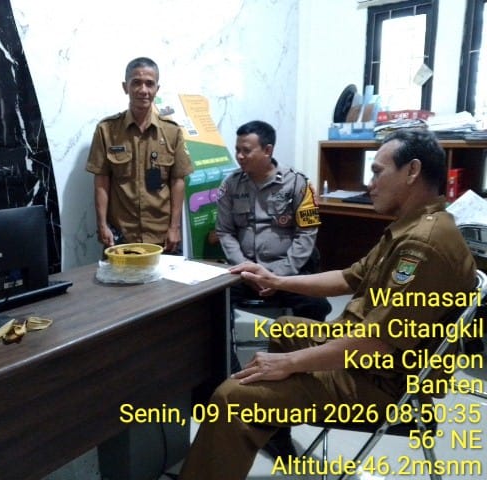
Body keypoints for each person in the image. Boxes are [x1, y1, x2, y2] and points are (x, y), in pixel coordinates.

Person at [178, 128, 476, 480]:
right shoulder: (413, 227)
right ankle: (267, 425)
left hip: (384, 384)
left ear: (412, 171)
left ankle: (255, 416)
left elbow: (376, 344)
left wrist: (288, 363)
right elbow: (349, 277)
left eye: (378, 172)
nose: (369, 183)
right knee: (286, 329)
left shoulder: (423, 244)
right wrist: (276, 280)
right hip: (367, 360)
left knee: (232, 397)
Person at [216, 120, 332, 321]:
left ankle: (301, 343)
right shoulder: (230, 184)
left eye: (246, 150)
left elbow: (307, 233)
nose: (239, 156)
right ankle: (226, 344)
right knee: (210, 301)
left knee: (316, 305)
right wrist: (245, 268)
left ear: (268, 150)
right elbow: (225, 231)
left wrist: (278, 276)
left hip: (286, 272)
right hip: (244, 272)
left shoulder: (298, 183)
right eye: (237, 150)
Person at [85, 57, 193, 252]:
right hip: (121, 236)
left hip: (162, 236)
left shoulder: (172, 131)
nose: (143, 90)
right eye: (136, 83)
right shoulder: (107, 130)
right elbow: (101, 180)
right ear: (125, 87)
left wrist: (175, 227)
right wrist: (102, 225)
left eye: (149, 84)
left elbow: (178, 181)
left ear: (157, 89)